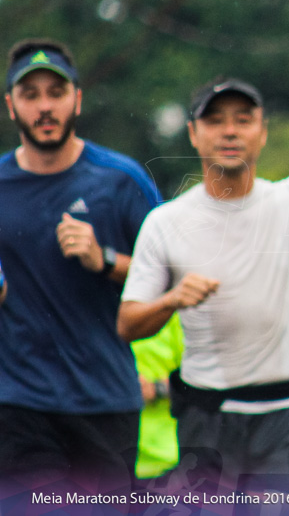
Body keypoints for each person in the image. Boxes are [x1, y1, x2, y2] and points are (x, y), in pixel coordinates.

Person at [118, 62, 289, 492]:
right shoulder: (165, 222)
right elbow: (128, 322)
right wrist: (172, 299)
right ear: (193, 133)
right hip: (207, 417)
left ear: (262, 132)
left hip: (287, 416)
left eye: (243, 121)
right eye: (215, 120)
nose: (229, 132)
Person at [0, 38, 161, 492]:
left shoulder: (121, 179)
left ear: (78, 99)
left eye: (56, 92)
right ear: (11, 106)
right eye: (30, 95)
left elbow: (173, 275)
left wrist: (104, 259)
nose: (44, 106)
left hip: (104, 402)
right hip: (19, 406)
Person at [131, 314, 185, 481]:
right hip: (115, 456)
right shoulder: (106, 314)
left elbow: (196, 380)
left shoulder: (173, 318)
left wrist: (157, 388)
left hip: (166, 458)